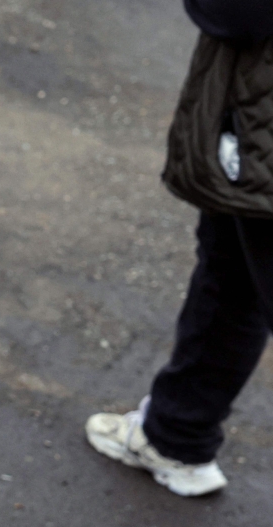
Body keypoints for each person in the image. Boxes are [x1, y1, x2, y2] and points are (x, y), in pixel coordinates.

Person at [85, 0, 273, 497]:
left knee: (235, 272)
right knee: (232, 272)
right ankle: (176, 436)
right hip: (254, 129)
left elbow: (238, 14)